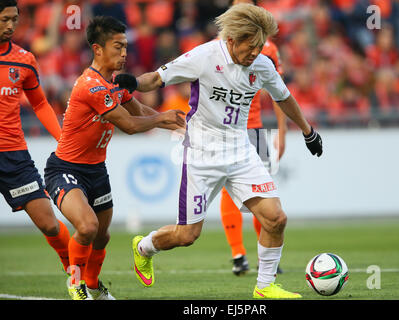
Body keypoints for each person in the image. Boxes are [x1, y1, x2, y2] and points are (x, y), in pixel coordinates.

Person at [115, 3, 322, 299]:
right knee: (187, 236)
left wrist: (307, 131)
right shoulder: (204, 56)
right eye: (250, 47)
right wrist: (134, 82)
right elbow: (158, 78)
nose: (255, 53)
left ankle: (264, 287)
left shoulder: (262, 65)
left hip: (241, 150)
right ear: (232, 40)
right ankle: (143, 247)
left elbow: (285, 97)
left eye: (260, 46)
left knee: (276, 218)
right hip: (202, 152)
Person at [43, 16, 185, 300]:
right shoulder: (90, 86)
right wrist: (161, 120)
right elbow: (130, 126)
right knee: (87, 227)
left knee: (102, 236)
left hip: (96, 170)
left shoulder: (115, 84)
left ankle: (94, 287)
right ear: (98, 49)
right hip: (65, 168)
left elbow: (141, 113)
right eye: (117, 47)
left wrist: (182, 125)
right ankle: (76, 283)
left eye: (126, 47)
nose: (124, 53)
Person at [0, 0, 71, 275]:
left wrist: (62, 138)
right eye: (4, 19)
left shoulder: (24, 60)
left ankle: (76, 274)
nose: (10, 26)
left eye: (14, 20)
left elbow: (40, 104)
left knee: (50, 224)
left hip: (14, 156)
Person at [220, 0, 287, 276]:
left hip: (256, 129)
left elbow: (279, 93)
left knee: (263, 193)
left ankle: (265, 256)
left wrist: (282, 132)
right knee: (229, 191)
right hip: (226, 131)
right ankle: (238, 254)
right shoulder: (220, 44)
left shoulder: (268, 48)